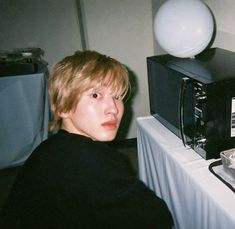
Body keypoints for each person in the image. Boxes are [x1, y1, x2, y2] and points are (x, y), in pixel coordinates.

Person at [0, 50, 173, 228]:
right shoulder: (92, 162)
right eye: (96, 95)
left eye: (117, 96)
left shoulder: (48, 148)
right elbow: (157, 219)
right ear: (62, 108)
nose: (113, 109)